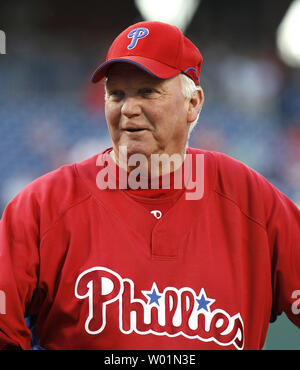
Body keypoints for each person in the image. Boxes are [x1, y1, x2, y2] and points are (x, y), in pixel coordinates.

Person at [0, 21, 299, 350]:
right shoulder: (45, 204)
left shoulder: (249, 198)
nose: (128, 109)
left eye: (147, 92)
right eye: (116, 94)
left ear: (193, 104)